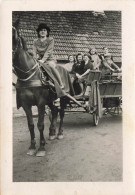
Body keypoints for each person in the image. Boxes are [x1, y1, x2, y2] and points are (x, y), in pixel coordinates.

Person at [32, 23, 64, 89]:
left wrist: (43, 60)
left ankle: (61, 83)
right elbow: (34, 52)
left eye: (44, 30)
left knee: (51, 66)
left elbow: (48, 51)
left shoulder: (51, 40)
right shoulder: (35, 41)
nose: (43, 32)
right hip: (39, 60)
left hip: (50, 59)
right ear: (38, 32)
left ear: (47, 32)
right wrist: (34, 59)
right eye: (41, 30)